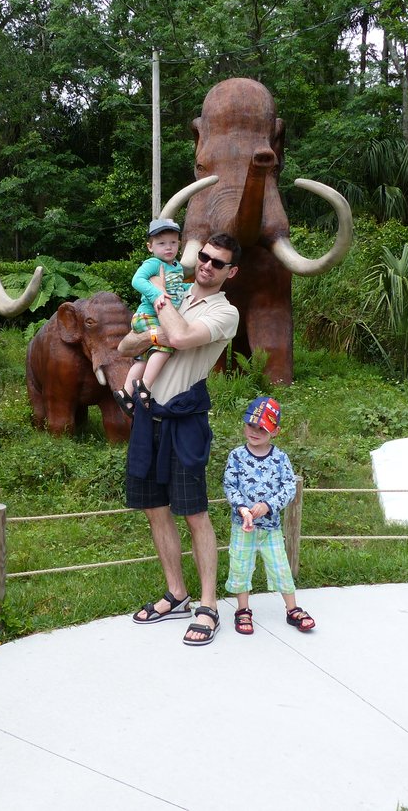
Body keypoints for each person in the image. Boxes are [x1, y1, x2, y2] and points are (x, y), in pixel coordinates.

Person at [119, 232, 241, 646]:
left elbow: (184, 338)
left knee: (194, 512)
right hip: (147, 416)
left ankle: (208, 604)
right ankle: (176, 591)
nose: (206, 265)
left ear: (230, 272)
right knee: (154, 508)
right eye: (203, 257)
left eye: (217, 262)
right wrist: (154, 332)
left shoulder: (225, 312)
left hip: (185, 419)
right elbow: (125, 344)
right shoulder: (174, 288)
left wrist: (159, 299)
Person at [223, 396, 316, 635]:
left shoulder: (280, 458)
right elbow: (230, 485)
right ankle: (243, 609)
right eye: (251, 426)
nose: (255, 432)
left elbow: (288, 487)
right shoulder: (236, 456)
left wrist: (268, 505)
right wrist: (242, 508)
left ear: (275, 431)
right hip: (243, 527)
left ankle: (292, 609)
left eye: (262, 428)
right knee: (241, 566)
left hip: (271, 528)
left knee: (280, 567)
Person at [113, 219, 187, 416]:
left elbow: (178, 289)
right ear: (150, 247)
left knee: (143, 359)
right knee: (165, 344)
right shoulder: (154, 263)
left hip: (155, 316)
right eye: (161, 243)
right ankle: (144, 386)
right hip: (147, 315)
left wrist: (191, 290)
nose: (168, 247)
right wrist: (156, 294)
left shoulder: (177, 267)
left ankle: (126, 393)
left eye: (173, 242)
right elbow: (137, 280)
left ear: (179, 244)